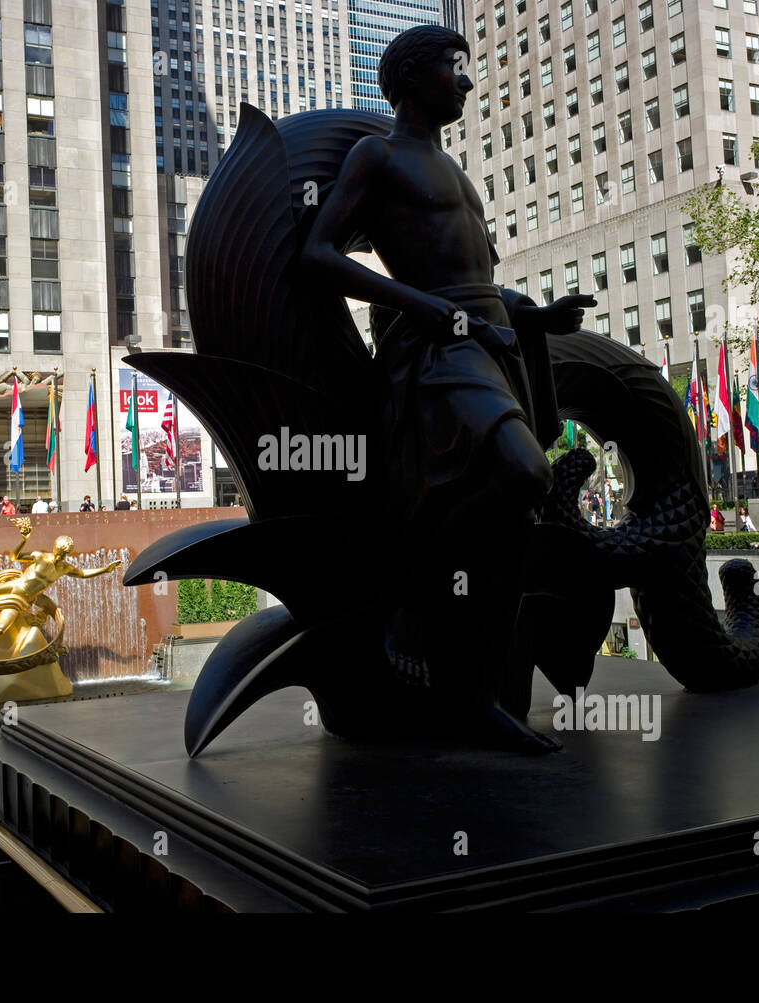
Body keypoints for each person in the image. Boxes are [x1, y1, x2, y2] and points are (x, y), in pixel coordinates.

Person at [300, 24, 593, 747]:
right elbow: (317, 254)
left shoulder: (459, 173)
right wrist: (431, 311)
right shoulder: (378, 156)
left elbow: (479, 278)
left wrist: (533, 314)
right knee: (525, 475)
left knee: (511, 514)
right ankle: (408, 592)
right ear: (410, 76)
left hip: (492, 339)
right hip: (439, 348)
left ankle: (477, 694)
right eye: (453, 69)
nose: (466, 83)